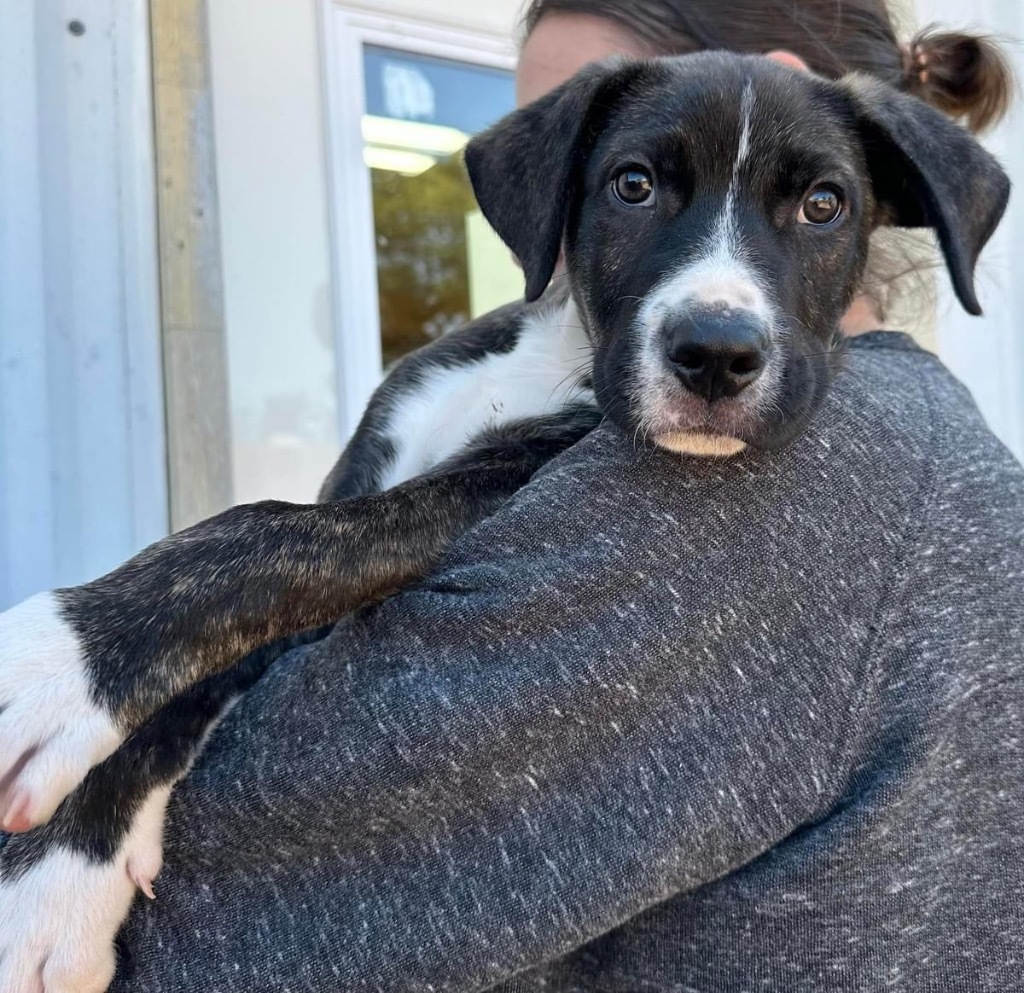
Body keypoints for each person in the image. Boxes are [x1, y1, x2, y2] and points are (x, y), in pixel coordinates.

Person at [103, 3, 1022, 990]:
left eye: (601, 160)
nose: (552, 192)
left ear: (763, 76)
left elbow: (222, 907)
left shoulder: (760, 500)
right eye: (622, 186)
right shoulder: (934, 442)